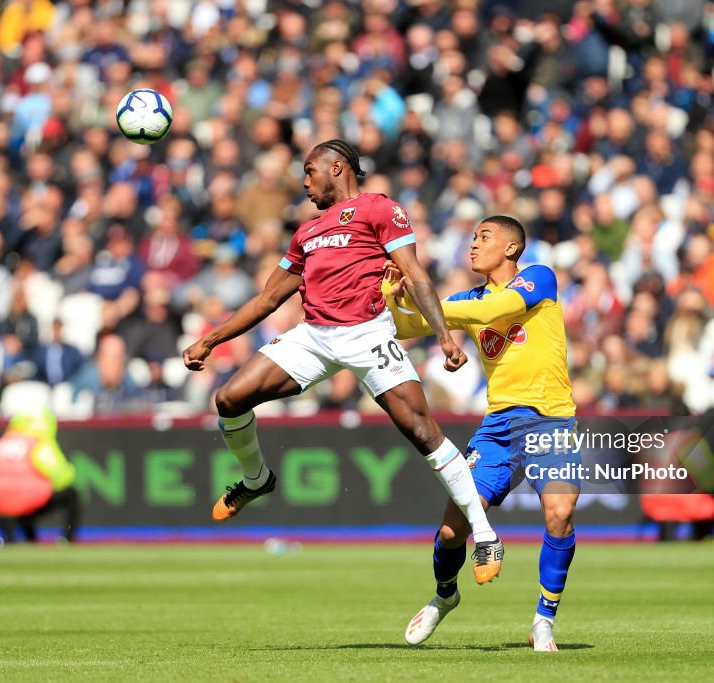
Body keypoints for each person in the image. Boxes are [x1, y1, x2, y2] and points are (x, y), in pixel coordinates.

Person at [182, 139, 503, 583]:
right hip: (314, 336)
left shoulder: (378, 209)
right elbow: (269, 298)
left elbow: (415, 272)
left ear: (337, 167)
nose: (305, 182)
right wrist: (210, 340)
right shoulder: (306, 233)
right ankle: (256, 480)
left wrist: (445, 337)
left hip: (367, 334)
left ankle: (485, 535)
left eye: (310, 172)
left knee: (422, 431)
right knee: (229, 398)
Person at [382, 215, 578, 652]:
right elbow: (405, 327)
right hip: (498, 427)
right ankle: (445, 594)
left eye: (484, 238)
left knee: (560, 514)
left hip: (551, 420)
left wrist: (429, 301)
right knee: (453, 531)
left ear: (511, 248)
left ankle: (544, 619)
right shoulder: (467, 297)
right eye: (471, 238)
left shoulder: (539, 278)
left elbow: (492, 312)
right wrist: (393, 297)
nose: (473, 245)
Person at [0, 406, 80, 542]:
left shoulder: (2, 442)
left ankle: (22, 539)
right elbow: (59, 474)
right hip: (28, 499)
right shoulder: (38, 443)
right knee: (72, 494)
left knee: (24, 502)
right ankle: (67, 540)